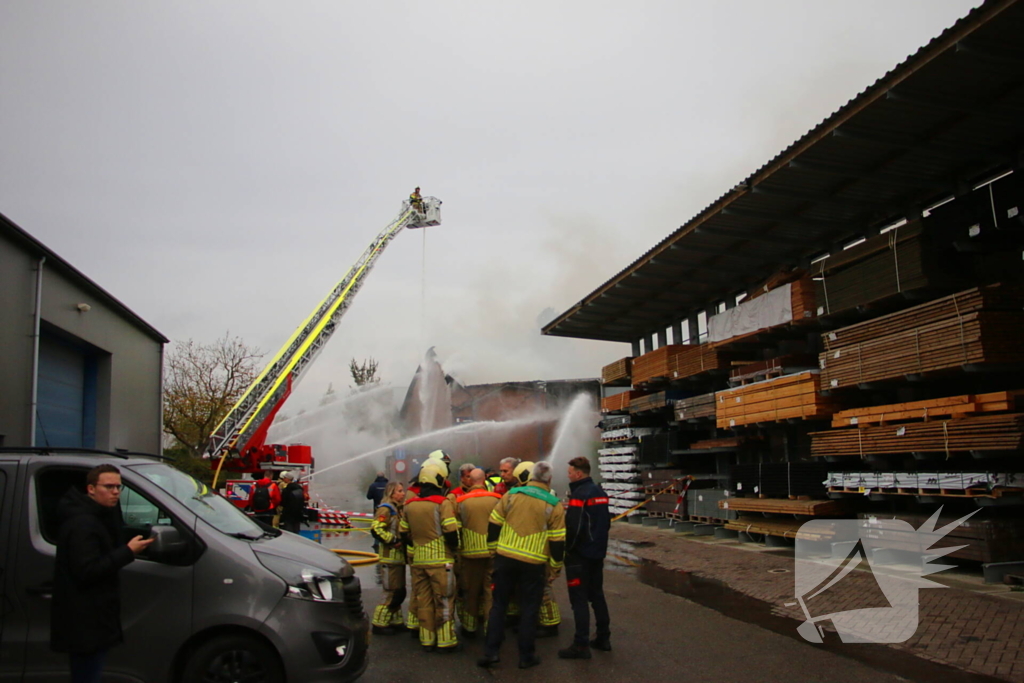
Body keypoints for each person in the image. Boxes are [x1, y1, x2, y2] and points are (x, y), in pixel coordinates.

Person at [51, 464, 154, 683]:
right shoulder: (83, 524)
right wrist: (127, 552)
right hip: (85, 622)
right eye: (108, 487)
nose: (115, 492)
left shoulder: (98, 516)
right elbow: (87, 570)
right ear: (90, 489)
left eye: (118, 487)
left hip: (92, 620)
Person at [479, 461, 565, 670]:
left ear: (530, 476)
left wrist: (493, 551)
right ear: (549, 480)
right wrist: (555, 568)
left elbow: (493, 523)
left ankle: (491, 653)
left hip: (505, 558)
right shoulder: (554, 504)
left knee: (499, 606)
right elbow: (557, 541)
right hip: (533, 564)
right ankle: (526, 656)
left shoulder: (512, 494)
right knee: (529, 610)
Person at [401, 462, 461, 652]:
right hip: (441, 561)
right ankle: (445, 641)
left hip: (419, 561)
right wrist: (454, 549)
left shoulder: (409, 505)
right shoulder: (442, 504)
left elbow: (404, 532)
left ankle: (426, 640)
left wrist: (415, 546)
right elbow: (451, 531)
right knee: (444, 599)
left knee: (423, 600)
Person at [558, 456, 612, 659]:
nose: (568, 475)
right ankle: (603, 637)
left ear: (579, 474)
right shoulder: (600, 492)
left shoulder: (579, 495)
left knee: (578, 600)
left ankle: (581, 645)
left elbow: (574, 528)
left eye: (570, 472)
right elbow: (605, 523)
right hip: (597, 554)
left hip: (579, 556)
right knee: (597, 595)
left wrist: (568, 550)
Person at [453, 468, 502, 639]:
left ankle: (470, 626)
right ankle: (491, 627)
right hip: (492, 552)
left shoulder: (460, 501)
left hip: (469, 553)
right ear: (484, 480)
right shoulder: (496, 499)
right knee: (490, 591)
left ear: (471, 481)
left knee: (471, 591)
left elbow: (456, 528)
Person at [370, 481, 408, 635]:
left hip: (398, 558)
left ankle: (396, 621)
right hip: (389, 558)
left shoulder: (398, 509)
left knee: (399, 590)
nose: (403, 493)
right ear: (391, 493)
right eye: (399, 490)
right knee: (391, 592)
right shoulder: (385, 509)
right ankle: (379, 624)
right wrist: (393, 541)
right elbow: (376, 529)